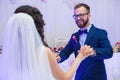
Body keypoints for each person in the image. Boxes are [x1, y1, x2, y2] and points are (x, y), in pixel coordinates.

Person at [0, 5, 94, 80]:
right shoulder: (43, 52)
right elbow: (64, 78)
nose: (78, 18)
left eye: (81, 15)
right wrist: (80, 57)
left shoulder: (7, 53)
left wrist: (56, 58)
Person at [56, 3, 113, 80]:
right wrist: (58, 58)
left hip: (97, 77)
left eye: (81, 15)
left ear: (89, 15)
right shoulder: (74, 36)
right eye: (75, 16)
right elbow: (66, 52)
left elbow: (109, 52)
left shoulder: (100, 33)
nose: (78, 18)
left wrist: (93, 51)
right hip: (79, 77)